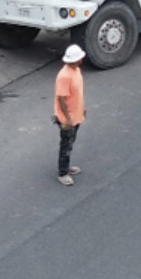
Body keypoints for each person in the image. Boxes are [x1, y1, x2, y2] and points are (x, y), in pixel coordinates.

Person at [53, 44, 86, 186]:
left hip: (76, 114)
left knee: (70, 143)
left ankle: (66, 166)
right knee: (66, 145)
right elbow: (61, 99)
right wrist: (67, 119)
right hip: (68, 118)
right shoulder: (64, 76)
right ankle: (63, 172)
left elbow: (77, 94)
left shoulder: (76, 70)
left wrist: (82, 109)